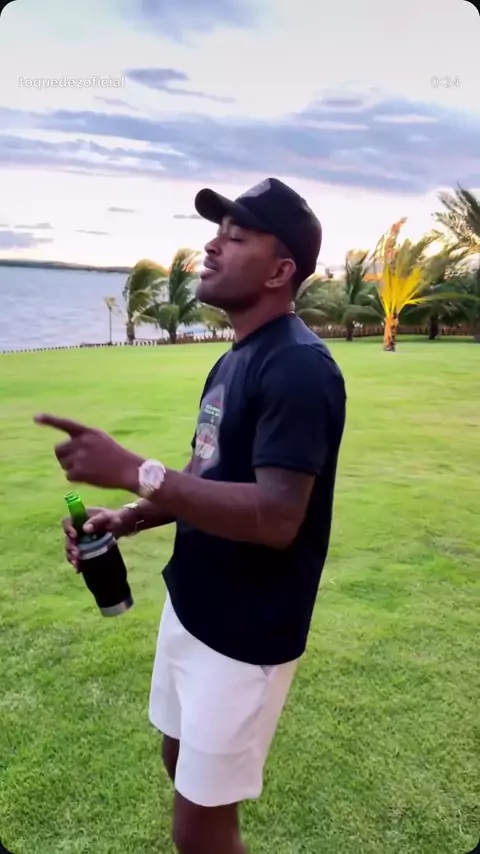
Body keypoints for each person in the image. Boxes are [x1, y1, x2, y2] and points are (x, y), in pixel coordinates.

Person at [35, 177, 347, 854]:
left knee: (200, 830)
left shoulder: (300, 368)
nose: (211, 246)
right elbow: (206, 473)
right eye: (216, 233)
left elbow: (277, 517)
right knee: (177, 761)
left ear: (280, 271)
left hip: (245, 633)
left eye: (236, 237)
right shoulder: (235, 360)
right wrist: (129, 516)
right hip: (193, 607)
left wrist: (134, 469)